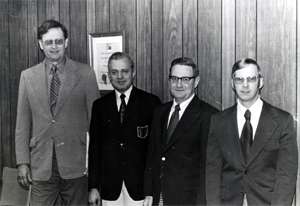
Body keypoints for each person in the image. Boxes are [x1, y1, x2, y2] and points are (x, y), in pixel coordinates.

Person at [15, 19, 100, 205]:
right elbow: (22, 124)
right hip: (41, 164)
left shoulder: (86, 74)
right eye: (48, 42)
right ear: (40, 44)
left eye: (58, 41)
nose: (54, 47)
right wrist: (22, 162)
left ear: (66, 42)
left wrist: (94, 166)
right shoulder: (27, 76)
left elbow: (97, 124)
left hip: (77, 164)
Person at [206, 58, 298, 206]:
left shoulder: (282, 121)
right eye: (239, 79)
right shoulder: (218, 121)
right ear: (232, 84)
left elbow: (287, 176)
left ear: (260, 82)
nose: (245, 85)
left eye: (251, 79)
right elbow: (212, 172)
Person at [88, 52, 161, 206]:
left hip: (140, 188)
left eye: (125, 71)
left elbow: (155, 151)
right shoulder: (100, 106)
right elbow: (94, 150)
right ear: (109, 75)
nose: (119, 76)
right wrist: (93, 186)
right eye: (114, 72)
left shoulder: (151, 103)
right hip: (109, 188)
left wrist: (152, 189)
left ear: (133, 72)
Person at [143, 57, 218, 206]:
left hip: (189, 199)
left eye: (185, 79)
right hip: (160, 197)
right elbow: (152, 155)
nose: (178, 84)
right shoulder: (160, 111)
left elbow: (208, 167)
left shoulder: (208, 115)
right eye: (174, 78)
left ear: (196, 82)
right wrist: (148, 193)